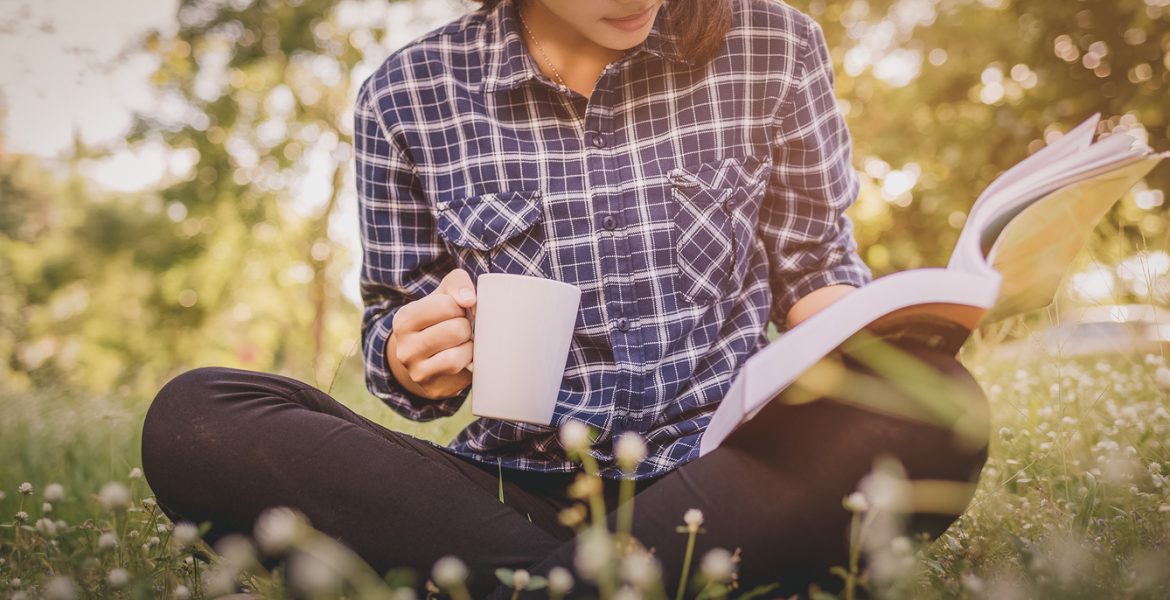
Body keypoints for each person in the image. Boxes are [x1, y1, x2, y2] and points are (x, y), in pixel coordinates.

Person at [140, 0, 991, 597]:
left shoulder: (775, 44)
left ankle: (511, 583)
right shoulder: (408, 95)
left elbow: (813, 269)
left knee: (936, 404)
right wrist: (411, 356)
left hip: (724, 476)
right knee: (196, 416)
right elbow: (395, 326)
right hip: (506, 487)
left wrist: (908, 327)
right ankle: (632, 580)